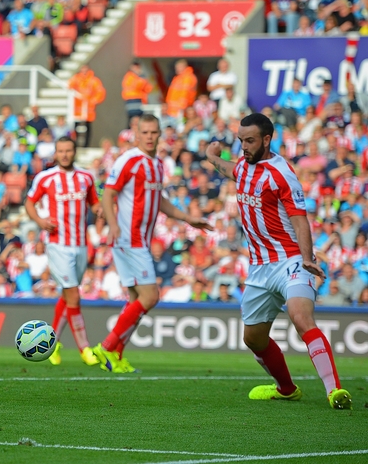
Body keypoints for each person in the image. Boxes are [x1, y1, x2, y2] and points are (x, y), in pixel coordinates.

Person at [205, 112, 352, 410]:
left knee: (300, 316)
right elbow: (228, 169)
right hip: (259, 267)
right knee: (254, 339)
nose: (244, 147)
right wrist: (211, 157)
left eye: (250, 141)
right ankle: (286, 389)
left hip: (290, 261)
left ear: (267, 140)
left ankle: (334, 390)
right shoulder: (244, 168)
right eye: (240, 141)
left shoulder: (281, 173)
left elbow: (300, 221)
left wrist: (307, 257)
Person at [92, 114, 212, 373]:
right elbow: (109, 192)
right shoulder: (129, 160)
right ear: (137, 135)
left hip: (139, 240)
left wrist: (189, 218)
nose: (149, 137)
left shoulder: (156, 164)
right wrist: (113, 224)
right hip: (128, 238)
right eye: (144, 132)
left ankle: (116, 356)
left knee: (137, 299)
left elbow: (161, 202)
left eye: (153, 132)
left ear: (159, 135)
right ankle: (106, 346)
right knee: (151, 296)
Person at [25, 136, 101, 366]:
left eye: (69, 150)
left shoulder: (86, 177)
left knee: (68, 296)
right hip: (57, 244)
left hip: (80, 245)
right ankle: (85, 349)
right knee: (74, 294)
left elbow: (94, 203)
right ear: (56, 153)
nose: (65, 154)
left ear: (75, 152)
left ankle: (54, 343)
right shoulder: (45, 178)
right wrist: (39, 220)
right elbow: (29, 202)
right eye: (61, 151)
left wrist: (104, 210)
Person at [68, 64, 106, 147]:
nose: (84, 71)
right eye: (82, 69)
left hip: (88, 109)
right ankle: (75, 144)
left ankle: (86, 145)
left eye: (85, 69)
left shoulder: (93, 80)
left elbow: (100, 92)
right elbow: (69, 86)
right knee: (76, 127)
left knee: (88, 128)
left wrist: (93, 101)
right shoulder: (76, 78)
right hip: (77, 109)